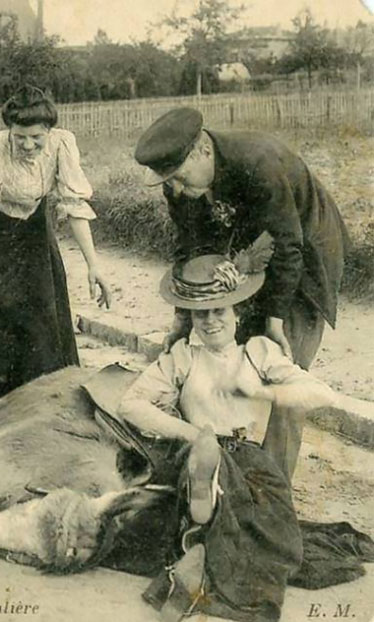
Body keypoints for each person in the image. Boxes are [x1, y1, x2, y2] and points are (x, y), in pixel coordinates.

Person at [118, 252, 338, 622]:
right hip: (200, 448)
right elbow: (131, 403)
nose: (210, 321)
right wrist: (192, 432)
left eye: (220, 311)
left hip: (250, 461)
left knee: (280, 543)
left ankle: (198, 549)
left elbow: (322, 395)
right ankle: (203, 506)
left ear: (237, 312)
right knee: (207, 468)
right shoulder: (182, 357)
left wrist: (267, 392)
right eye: (200, 314)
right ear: (191, 318)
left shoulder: (258, 354)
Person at [133, 107, 350, 480]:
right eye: (170, 183)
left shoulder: (258, 162)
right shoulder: (181, 182)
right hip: (251, 251)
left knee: (280, 370)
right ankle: (229, 474)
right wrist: (182, 320)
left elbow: (287, 247)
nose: (179, 190)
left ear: (203, 150)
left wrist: (275, 322)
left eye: (182, 178)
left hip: (303, 259)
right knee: (228, 359)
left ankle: (271, 492)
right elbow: (190, 248)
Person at [0, 85, 111, 418]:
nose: (28, 145)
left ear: (49, 130)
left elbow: (75, 206)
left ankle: (36, 401)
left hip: (32, 230)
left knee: (41, 311)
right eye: (20, 137)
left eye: (36, 137)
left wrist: (94, 265)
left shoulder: (63, 144)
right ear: (10, 130)